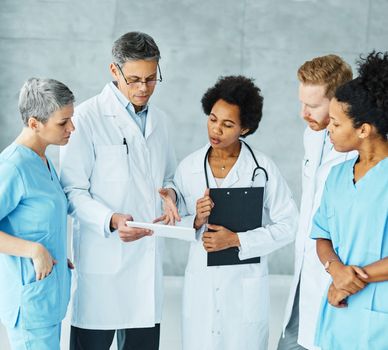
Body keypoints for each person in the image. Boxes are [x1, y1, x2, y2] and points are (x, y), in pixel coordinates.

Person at [59, 31, 179, 350]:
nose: (143, 88)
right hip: (103, 260)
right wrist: (110, 219)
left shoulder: (162, 122)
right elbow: (71, 190)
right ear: (115, 71)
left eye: (152, 79)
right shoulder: (86, 118)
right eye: (135, 79)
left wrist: (172, 194)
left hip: (146, 262)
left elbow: (169, 176)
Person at [173, 75, 298, 350]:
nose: (216, 130)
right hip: (202, 286)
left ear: (245, 129)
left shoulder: (262, 169)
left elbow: (290, 225)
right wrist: (195, 219)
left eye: (228, 124)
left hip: (244, 286)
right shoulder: (189, 167)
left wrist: (238, 240)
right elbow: (174, 222)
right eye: (213, 119)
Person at [311, 51, 388, 350]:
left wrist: (351, 280)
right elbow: (321, 235)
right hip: (340, 312)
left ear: (364, 129)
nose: (328, 129)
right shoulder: (337, 175)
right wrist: (335, 271)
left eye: (335, 123)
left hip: (378, 316)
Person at [279, 55, 355, 350]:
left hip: (336, 275)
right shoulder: (311, 136)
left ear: (338, 102)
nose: (303, 113)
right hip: (305, 270)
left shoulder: (356, 150)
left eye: (312, 106)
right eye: (302, 103)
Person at [0, 78, 75, 350]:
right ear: (34, 123)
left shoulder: (43, 160)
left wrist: (53, 249)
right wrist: (35, 250)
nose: (71, 128)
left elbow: (35, 220)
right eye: (63, 122)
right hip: (30, 306)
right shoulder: (12, 167)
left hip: (47, 299)